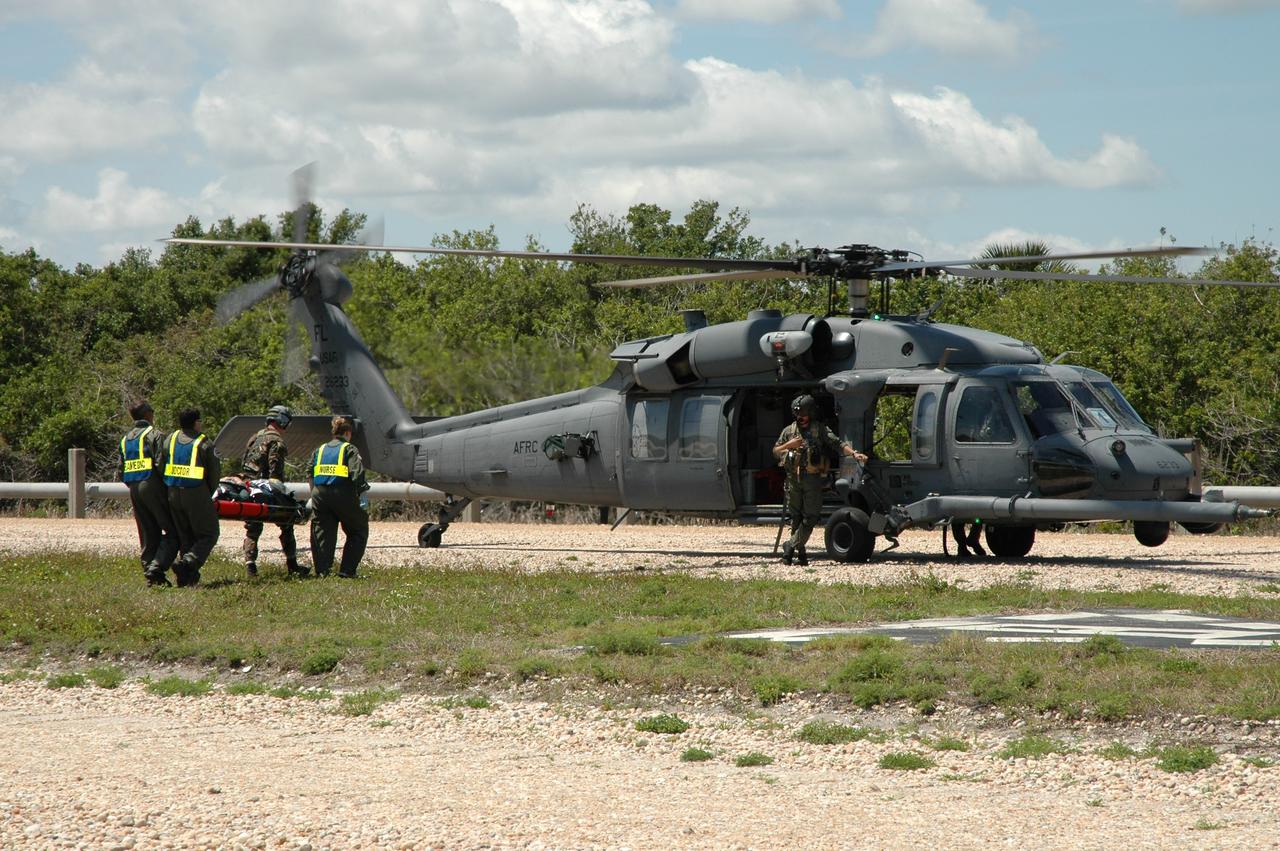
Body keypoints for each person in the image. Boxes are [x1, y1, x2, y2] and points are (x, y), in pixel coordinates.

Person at [773, 394, 867, 565]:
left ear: (810, 413)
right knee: (795, 518)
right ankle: (797, 555)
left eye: (804, 414)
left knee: (811, 517)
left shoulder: (819, 429)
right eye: (798, 415)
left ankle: (790, 545)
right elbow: (776, 451)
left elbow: (837, 443)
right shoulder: (789, 431)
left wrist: (854, 453)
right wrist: (789, 445)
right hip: (793, 479)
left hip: (812, 480)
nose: (800, 418)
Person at [240, 405, 307, 578]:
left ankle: (250, 567)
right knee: (288, 520)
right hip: (265, 491)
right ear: (282, 421)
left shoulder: (254, 438)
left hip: (247, 490)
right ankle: (292, 565)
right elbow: (275, 474)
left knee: (253, 529)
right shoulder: (276, 441)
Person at [119, 400, 178, 586]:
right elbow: (162, 464)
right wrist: (169, 487)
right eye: (152, 410)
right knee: (173, 530)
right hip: (152, 485)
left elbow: (121, 469)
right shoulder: (154, 435)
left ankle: (150, 572)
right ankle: (157, 568)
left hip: (134, 488)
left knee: (147, 531)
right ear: (147, 415)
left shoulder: (126, 439)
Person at [162, 407, 222, 587]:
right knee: (209, 533)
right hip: (196, 493)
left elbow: (161, 464)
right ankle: (189, 562)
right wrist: (206, 493)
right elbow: (214, 474)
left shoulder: (170, 440)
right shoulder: (204, 443)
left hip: (173, 493)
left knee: (185, 536)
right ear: (196, 423)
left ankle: (186, 578)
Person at [308, 415, 369, 578]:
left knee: (322, 533)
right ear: (348, 433)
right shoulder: (349, 449)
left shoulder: (319, 450)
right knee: (358, 529)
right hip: (342, 494)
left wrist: (314, 494)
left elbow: (309, 473)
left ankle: (322, 572)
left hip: (320, 494)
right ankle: (347, 571)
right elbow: (357, 473)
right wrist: (362, 493)